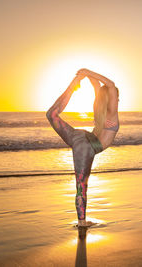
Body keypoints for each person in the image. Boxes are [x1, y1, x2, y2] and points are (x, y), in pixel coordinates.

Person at [46, 68, 119, 227]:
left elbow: (96, 84)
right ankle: (82, 223)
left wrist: (84, 76)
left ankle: (73, 85)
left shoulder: (99, 105)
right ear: (112, 98)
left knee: (51, 114)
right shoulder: (111, 113)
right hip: (87, 145)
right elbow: (110, 85)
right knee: (81, 185)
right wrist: (87, 71)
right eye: (117, 97)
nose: (118, 100)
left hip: (79, 136)